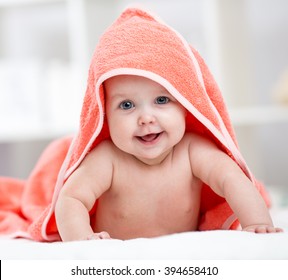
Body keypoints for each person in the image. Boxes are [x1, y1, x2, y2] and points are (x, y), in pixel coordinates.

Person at [55, 74, 283, 241]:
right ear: (104, 117)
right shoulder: (107, 158)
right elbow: (71, 199)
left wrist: (257, 223)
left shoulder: (192, 150)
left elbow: (231, 177)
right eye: (126, 105)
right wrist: (83, 240)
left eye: (161, 100)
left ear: (185, 107)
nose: (146, 118)